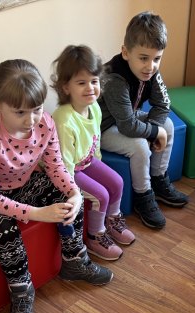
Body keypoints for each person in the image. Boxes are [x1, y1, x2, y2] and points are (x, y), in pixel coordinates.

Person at [0, 59, 113, 313]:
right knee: (2, 225)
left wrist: (74, 192)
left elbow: (55, 166)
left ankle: (75, 261)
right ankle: (21, 290)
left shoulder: (45, 123)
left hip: (19, 184)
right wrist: (37, 213)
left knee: (64, 195)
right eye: (20, 112)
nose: (30, 120)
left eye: (36, 109)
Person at [98, 11, 189, 230]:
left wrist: (155, 129)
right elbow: (127, 126)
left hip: (127, 116)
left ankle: (158, 178)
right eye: (143, 58)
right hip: (104, 127)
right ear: (126, 52)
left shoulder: (151, 72)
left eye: (157, 59)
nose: (150, 66)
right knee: (139, 146)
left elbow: (163, 104)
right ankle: (143, 195)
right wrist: (153, 134)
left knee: (168, 125)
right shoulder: (115, 78)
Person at [52, 45, 134, 261]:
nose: (90, 88)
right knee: (101, 195)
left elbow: (94, 142)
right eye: (81, 83)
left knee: (117, 182)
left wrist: (98, 165)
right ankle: (95, 236)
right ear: (66, 87)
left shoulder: (94, 108)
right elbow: (64, 164)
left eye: (94, 81)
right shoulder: (64, 119)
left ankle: (112, 222)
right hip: (68, 171)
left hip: (86, 161)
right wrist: (71, 189)